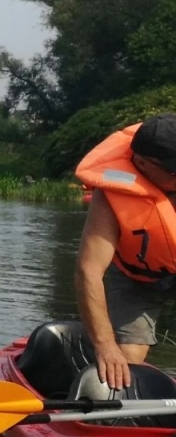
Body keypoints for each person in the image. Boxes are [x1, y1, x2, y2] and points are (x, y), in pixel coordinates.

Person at [75, 114, 176, 392]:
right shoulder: (113, 194)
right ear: (141, 163)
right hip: (138, 277)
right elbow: (89, 270)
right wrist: (106, 347)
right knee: (125, 364)